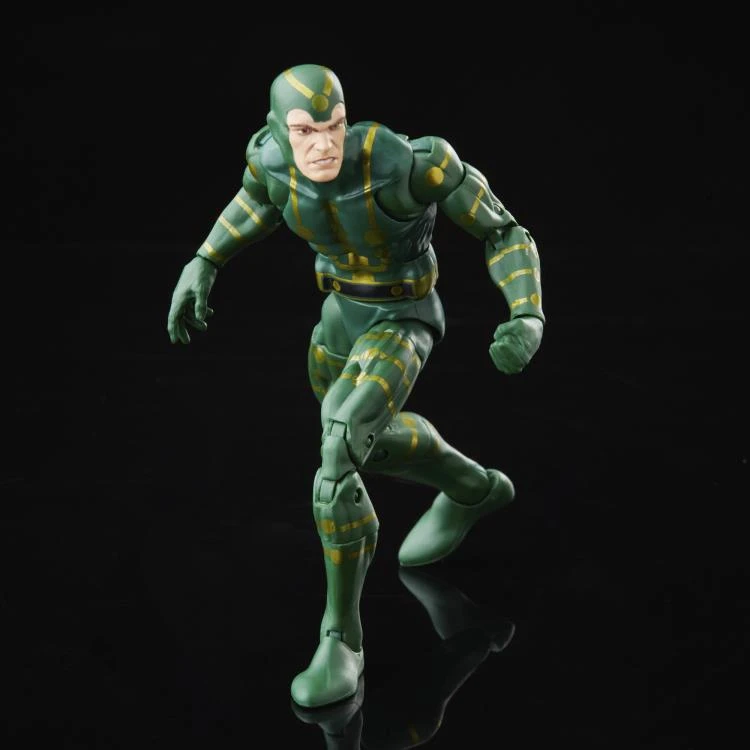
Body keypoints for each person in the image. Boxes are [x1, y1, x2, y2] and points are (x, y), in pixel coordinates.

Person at [167, 63, 544, 709]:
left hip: (403, 316)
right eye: (304, 130)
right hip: (339, 318)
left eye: (333, 126)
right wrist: (204, 261)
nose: (322, 144)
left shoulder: (409, 164)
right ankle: (472, 488)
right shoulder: (270, 160)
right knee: (365, 440)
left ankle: (341, 639)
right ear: (276, 130)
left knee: (339, 450)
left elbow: (503, 229)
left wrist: (526, 313)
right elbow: (255, 202)